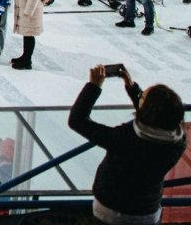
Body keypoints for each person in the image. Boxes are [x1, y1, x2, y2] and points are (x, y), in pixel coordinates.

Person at [69, 65, 185, 225]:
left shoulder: (124, 138)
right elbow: (155, 117)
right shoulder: (178, 142)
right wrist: (131, 87)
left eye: (141, 97)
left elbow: (77, 120)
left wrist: (93, 86)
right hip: (148, 212)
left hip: (111, 213)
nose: (139, 97)